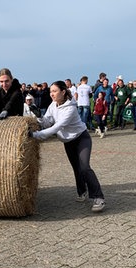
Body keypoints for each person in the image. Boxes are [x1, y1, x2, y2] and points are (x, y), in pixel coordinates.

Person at [29, 80, 106, 213]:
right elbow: (47, 122)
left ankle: (98, 197)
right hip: (68, 141)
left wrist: (35, 135)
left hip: (82, 138)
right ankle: (82, 192)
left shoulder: (71, 108)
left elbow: (56, 127)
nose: (52, 94)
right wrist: (40, 116)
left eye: (54, 91)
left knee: (85, 167)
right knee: (76, 168)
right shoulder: (53, 105)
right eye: (50, 91)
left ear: (63, 92)